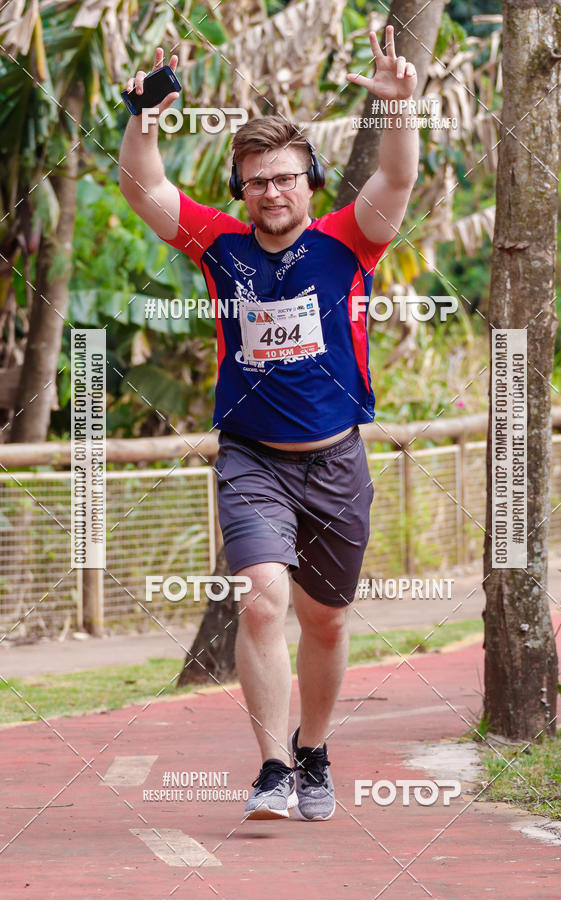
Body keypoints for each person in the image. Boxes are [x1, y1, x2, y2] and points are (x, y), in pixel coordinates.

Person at [119, 26, 419, 821]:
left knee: (327, 621)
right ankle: (273, 769)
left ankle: (313, 750)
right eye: (256, 182)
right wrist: (144, 116)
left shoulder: (350, 240)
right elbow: (144, 189)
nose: (272, 193)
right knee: (260, 600)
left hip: (336, 459)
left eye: (286, 178)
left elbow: (397, 176)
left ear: (310, 182)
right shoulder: (218, 245)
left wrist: (398, 108)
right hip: (252, 457)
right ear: (241, 190)